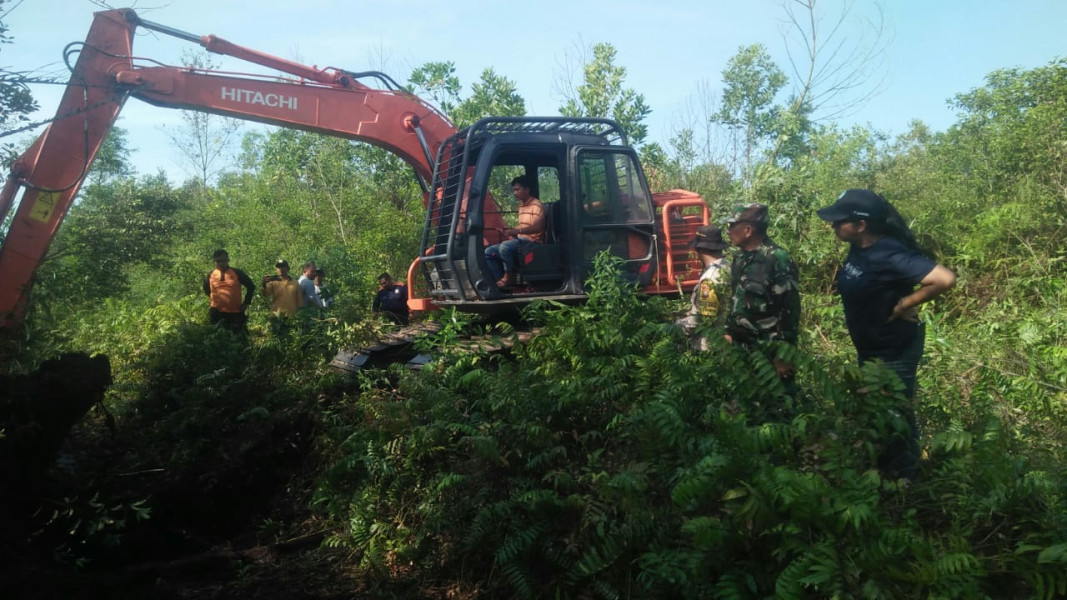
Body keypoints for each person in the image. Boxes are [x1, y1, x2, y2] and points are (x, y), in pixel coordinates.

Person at [817, 189, 956, 479]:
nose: (833, 226)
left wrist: (906, 303)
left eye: (839, 221)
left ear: (861, 225)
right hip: (872, 348)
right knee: (879, 412)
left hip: (894, 349)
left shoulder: (888, 253)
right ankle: (883, 473)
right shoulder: (860, 248)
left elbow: (944, 279)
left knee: (895, 415)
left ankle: (905, 482)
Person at [723, 203, 801, 381]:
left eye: (732, 226)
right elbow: (736, 299)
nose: (728, 231)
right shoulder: (739, 258)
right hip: (740, 349)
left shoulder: (777, 259)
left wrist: (784, 354)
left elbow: (790, 309)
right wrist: (728, 332)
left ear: (748, 230)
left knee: (777, 397)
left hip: (769, 351)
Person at [485, 174, 545, 288]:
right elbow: (522, 225)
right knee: (489, 251)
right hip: (521, 240)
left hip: (533, 242)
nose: (515, 193)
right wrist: (508, 231)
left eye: (517, 189)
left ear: (527, 190)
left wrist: (517, 231)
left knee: (505, 247)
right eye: (514, 190)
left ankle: (509, 277)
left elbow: (537, 227)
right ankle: (500, 280)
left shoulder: (536, 205)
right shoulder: (522, 206)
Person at [676, 225, 729, 351]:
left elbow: (704, 319)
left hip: (711, 345)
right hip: (728, 337)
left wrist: (677, 326)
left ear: (699, 250)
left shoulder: (709, 279)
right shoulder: (730, 266)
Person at [202, 249, 255, 332]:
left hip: (235, 312)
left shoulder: (237, 273)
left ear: (228, 260)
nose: (221, 263)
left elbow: (251, 286)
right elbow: (207, 290)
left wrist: (246, 303)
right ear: (214, 261)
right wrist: (216, 299)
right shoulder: (210, 275)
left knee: (239, 336)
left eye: (224, 260)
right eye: (218, 261)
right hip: (217, 312)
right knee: (217, 336)